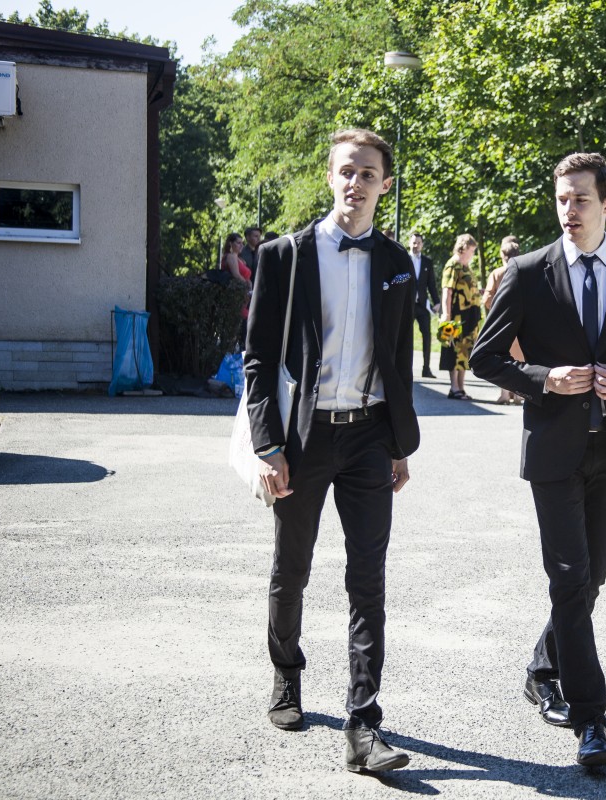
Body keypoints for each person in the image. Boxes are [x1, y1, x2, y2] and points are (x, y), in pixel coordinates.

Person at [471, 152, 606, 768]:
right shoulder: (527, 272)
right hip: (553, 452)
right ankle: (591, 719)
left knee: (590, 581)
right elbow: (484, 357)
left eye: (581, 199)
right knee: (568, 578)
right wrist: (543, 378)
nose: (569, 209)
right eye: (562, 199)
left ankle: (542, 668)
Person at [243, 128, 420, 774]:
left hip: (370, 435)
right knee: (292, 567)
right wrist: (269, 445)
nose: (356, 182)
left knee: (368, 580)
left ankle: (364, 724)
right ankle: (287, 674)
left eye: (368, 173)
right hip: (304, 436)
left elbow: (398, 360)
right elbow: (258, 359)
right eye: (347, 170)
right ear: (329, 176)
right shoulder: (284, 256)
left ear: (384, 185)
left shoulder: (398, 263)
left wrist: (398, 444)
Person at [481, 236, 527, 405]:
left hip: (502, 323)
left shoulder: (497, 273)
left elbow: (487, 299)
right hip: (522, 322)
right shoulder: (526, 271)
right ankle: (520, 394)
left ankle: (505, 394)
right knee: (520, 358)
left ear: (502, 255)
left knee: (502, 357)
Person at [439, 233, 482, 399]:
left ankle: (461, 388)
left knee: (465, 351)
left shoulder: (466, 267)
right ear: (464, 248)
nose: (473, 254)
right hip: (456, 315)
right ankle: (454, 387)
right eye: (472, 250)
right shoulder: (453, 265)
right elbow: (447, 292)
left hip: (469, 316)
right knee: (454, 350)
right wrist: (446, 315)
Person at [406, 231, 440, 378]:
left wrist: (437, 302)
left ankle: (426, 369)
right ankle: (405, 368)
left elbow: (431, 284)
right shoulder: (404, 259)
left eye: (419, 243)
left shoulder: (427, 262)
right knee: (406, 337)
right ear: (409, 243)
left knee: (427, 335)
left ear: (422, 245)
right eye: (414, 242)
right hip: (407, 305)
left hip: (422, 305)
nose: (416, 245)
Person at [220, 232, 252, 344]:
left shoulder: (239, 259)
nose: (241, 245)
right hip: (237, 298)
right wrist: (248, 288)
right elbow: (236, 275)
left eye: (242, 243)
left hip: (244, 298)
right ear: (231, 244)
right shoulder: (231, 256)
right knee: (239, 330)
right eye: (238, 243)